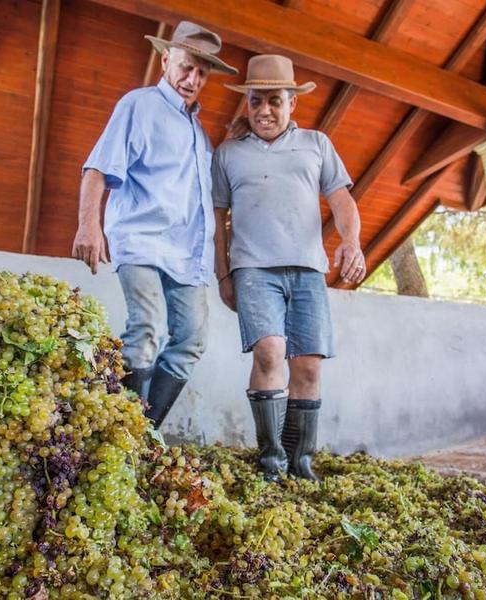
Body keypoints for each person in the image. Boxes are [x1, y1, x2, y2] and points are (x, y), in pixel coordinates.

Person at [72, 22, 238, 427]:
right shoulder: (139, 105)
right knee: (146, 330)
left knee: (192, 341)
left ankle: (143, 434)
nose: (192, 79)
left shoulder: (199, 134)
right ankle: (118, 432)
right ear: (166, 60)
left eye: (202, 73)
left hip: (187, 257)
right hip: (142, 240)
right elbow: (98, 167)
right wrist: (88, 226)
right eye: (186, 67)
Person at [212, 55, 365, 480]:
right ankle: (271, 463)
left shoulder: (317, 144)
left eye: (275, 100)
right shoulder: (227, 153)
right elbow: (217, 218)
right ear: (246, 103)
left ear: (292, 102)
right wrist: (223, 273)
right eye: (256, 101)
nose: (265, 110)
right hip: (253, 270)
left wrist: (351, 242)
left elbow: (341, 200)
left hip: (308, 270)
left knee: (309, 365)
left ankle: (301, 464)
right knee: (269, 351)